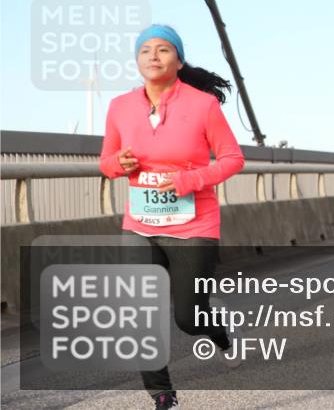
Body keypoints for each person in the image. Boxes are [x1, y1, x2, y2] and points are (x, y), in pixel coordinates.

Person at [99, 24, 246, 410]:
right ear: (137, 61)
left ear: (178, 61)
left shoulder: (203, 105)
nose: (153, 56)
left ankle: (214, 329)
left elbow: (233, 158)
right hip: (140, 226)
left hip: (193, 226)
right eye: (145, 50)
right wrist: (119, 163)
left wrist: (189, 180)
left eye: (163, 50)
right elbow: (106, 162)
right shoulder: (119, 107)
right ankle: (162, 393)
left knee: (188, 318)